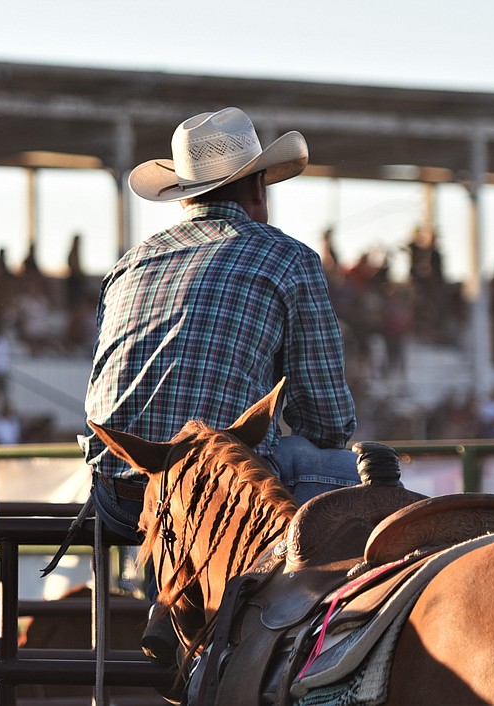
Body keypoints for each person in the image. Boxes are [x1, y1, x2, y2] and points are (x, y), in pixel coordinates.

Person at [82, 107, 358, 543]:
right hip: (216, 498)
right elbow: (327, 420)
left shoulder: (130, 262)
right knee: (348, 470)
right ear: (258, 186)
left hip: (119, 498)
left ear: (185, 194)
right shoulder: (288, 258)